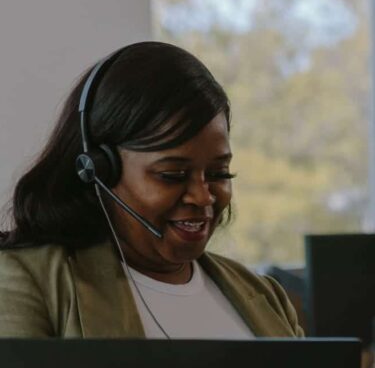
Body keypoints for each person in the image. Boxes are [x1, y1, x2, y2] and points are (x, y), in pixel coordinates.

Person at [0, 41, 303, 339]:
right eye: (172, 175)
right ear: (97, 170)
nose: (202, 195)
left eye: (218, 172)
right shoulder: (28, 281)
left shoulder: (266, 296)